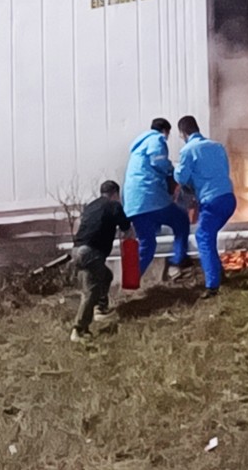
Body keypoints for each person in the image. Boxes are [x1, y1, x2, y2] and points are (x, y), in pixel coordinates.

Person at [173, 115, 236, 298]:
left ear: (183, 133)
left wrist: (177, 170)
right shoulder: (217, 146)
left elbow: (181, 178)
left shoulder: (188, 150)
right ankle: (219, 274)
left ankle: (212, 286)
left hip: (211, 201)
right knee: (209, 234)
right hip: (228, 198)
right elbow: (224, 171)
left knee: (203, 236)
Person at [123, 117, 192, 279]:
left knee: (147, 245)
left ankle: (130, 281)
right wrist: (172, 170)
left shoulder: (138, 147)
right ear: (165, 131)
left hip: (134, 205)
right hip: (150, 198)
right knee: (181, 219)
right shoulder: (156, 139)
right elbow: (158, 161)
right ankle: (177, 262)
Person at [70, 180, 132, 343]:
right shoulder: (113, 205)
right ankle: (78, 330)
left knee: (106, 276)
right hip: (91, 252)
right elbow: (126, 227)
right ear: (115, 194)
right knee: (91, 291)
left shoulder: (91, 206)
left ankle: (100, 309)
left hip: (76, 251)